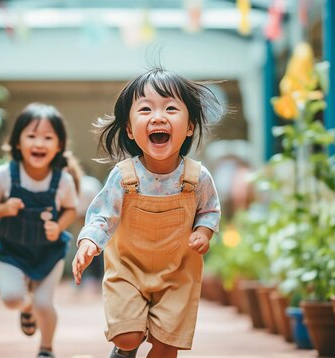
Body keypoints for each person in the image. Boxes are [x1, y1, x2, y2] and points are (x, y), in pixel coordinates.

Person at [72, 67, 223, 358]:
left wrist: (204, 231)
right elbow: (103, 214)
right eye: (145, 109)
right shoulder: (124, 176)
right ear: (129, 129)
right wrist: (89, 241)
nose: (158, 116)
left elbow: (209, 209)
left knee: (167, 346)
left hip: (177, 274)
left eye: (170, 108)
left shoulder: (197, 177)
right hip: (129, 269)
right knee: (128, 336)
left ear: (190, 125)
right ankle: (124, 350)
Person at [0, 103, 80, 358]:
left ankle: (46, 349)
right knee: (11, 298)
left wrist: (58, 226)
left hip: (48, 252)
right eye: (32, 136)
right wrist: (4, 208)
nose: (39, 143)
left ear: (59, 145)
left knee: (45, 303)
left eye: (48, 137)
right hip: (11, 250)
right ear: (17, 142)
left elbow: (71, 209)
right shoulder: (4, 174)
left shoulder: (62, 180)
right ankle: (26, 308)